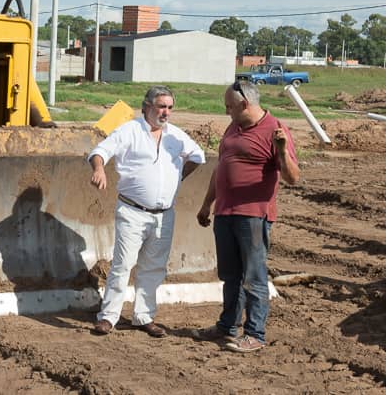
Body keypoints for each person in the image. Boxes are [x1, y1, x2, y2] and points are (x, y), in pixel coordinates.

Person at [91, 86, 205, 338]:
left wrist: (178, 177)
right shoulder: (130, 131)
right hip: (132, 210)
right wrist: (98, 170)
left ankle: (143, 316)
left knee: (154, 266)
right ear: (146, 107)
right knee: (122, 265)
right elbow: (100, 152)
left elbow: (198, 156)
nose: (165, 112)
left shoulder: (176, 136)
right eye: (161, 106)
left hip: (164, 214)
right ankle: (108, 317)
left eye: (170, 107)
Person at [194, 80, 299, 353]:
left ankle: (255, 334)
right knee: (230, 276)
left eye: (229, 106)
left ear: (244, 104)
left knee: (253, 276)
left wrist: (282, 149)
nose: (226, 111)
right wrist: (207, 203)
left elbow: (292, 178)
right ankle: (227, 326)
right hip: (225, 213)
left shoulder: (275, 131)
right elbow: (220, 169)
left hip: (253, 216)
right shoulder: (233, 127)